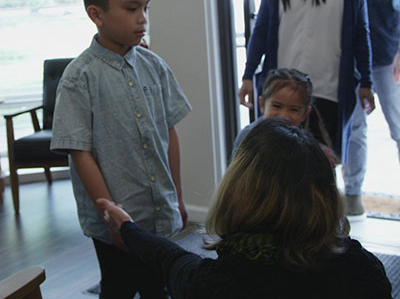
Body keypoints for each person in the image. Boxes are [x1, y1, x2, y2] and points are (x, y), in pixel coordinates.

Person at [97, 119, 392, 299]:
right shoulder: (363, 269)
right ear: (326, 195)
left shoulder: (219, 285)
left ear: (238, 190)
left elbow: (171, 260)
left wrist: (126, 228)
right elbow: (171, 257)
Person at [50, 0, 191, 299]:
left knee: (159, 286)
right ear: (96, 14)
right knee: (119, 287)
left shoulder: (154, 66)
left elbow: (169, 133)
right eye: (131, 9)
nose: (142, 18)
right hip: (115, 218)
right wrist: (110, 213)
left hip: (158, 210)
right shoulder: (78, 77)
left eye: (146, 8)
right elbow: (80, 153)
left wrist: (179, 196)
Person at [237, 0, 375, 165]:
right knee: (276, 169)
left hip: (329, 92)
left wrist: (367, 81)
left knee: (321, 172)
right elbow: (262, 29)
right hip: (281, 94)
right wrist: (247, 75)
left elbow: (361, 33)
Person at [318, 0, 400, 218]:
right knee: (353, 130)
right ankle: (352, 196)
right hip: (354, 62)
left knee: (397, 128)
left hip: (386, 56)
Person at [232, 68, 337, 166]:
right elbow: (235, 178)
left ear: (305, 113)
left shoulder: (310, 145)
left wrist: (319, 157)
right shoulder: (248, 137)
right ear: (262, 105)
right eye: (276, 106)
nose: (284, 115)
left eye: (294, 109)